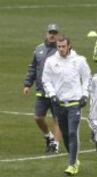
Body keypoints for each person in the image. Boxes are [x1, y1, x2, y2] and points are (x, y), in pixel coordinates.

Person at [42, 35, 91, 176]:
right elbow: (46, 80)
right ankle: (74, 158)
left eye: (64, 46)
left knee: (72, 132)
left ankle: (72, 164)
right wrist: (52, 94)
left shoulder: (79, 60)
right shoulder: (51, 61)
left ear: (69, 45)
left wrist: (85, 95)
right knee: (64, 133)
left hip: (75, 102)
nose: (61, 49)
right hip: (58, 102)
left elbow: (87, 77)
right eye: (59, 46)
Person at [23, 23, 62, 153]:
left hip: (58, 91)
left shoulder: (61, 50)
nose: (52, 35)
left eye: (54, 33)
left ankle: (55, 145)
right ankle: (49, 137)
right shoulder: (39, 49)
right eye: (50, 32)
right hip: (41, 90)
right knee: (38, 117)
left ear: (58, 35)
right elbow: (33, 67)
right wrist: (28, 84)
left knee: (58, 119)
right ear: (46, 34)